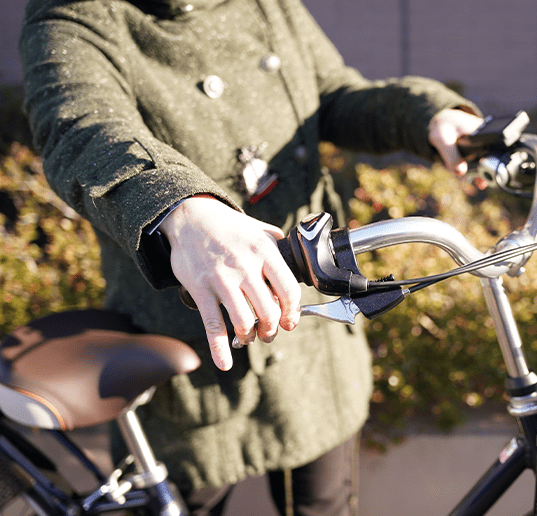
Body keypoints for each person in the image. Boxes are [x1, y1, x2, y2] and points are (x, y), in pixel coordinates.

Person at [19, 0, 484, 513]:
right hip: (193, 335)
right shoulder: (75, 16)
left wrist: (431, 115)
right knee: (186, 498)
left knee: (326, 503)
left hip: (312, 323)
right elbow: (83, 131)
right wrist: (182, 206)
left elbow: (330, 95)